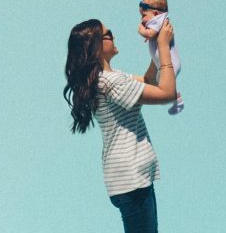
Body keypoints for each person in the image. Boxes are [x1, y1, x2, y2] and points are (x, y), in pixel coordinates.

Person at [64, 18, 177, 233]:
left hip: (130, 177)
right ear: (96, 45)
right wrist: (163, 46)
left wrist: (154, 46)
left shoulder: (110, 78)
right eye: (108, 34)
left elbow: (148, 81)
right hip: (132, 178)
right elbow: (167, 93)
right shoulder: (110, 82)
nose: (113, 37)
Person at [136, 0, 184, 115]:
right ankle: (176, 98)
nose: (142, 19)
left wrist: (141, 30)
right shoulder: (158, 21)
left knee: (162, 86)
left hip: (170, 63)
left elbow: (150, 34)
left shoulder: (159, 20)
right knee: (159, 84)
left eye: (143, 15)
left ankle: (176, 99)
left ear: (156, 14)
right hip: (164, 63)